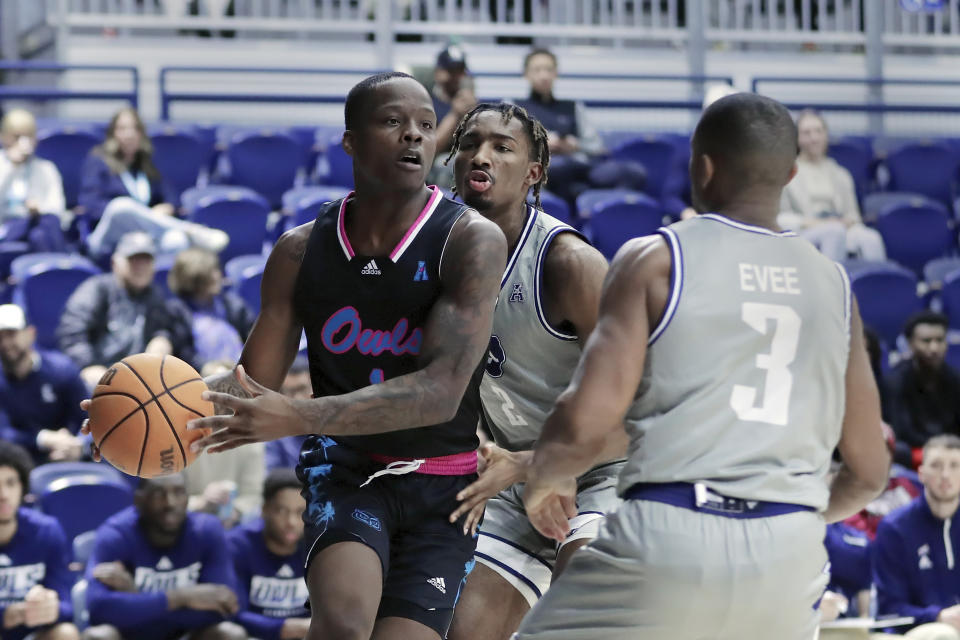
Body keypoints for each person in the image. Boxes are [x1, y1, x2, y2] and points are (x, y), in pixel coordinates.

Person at [512, 92, 890, 639]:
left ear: (702, 166)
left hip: (671, 529)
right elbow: (870, 473)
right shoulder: (833, 284)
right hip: (791, 552)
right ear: (789, 173)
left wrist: (544, 479)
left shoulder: (656, 258)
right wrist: (783, 517)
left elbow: (583, 423)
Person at [175, 71, 506, 640]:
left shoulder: (469, 240)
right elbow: (249, 386)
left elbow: (440, 391)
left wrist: (299, 416)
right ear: (350, 140)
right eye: (393, 122)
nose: (414, 137)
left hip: (446, 488)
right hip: (350, 470)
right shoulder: (301, 251)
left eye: (427, 126)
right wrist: (149, 406)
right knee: (344, 627)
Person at [438, 102, 621, 640]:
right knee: (463, 630)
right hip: (517, 473)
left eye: (502, 146)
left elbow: (647, 414)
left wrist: (539, 464)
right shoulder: (441, 258)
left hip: (613, 470)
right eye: (470, 143)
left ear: (534, 173)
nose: (481, 155)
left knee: (573, 618)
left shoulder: (569, 265)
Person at [81, 474, 247, 640]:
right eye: (158, 494)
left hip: (188, 635)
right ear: (139, 500)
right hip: (131, 635)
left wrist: (135, 598)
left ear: (188, 498)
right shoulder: (115, 535)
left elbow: (227, 608)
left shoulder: (207, 530)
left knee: (230, 634)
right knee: (99, 636)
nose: (170, 503)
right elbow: (99, 609)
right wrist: (182, 597)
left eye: (179, 492)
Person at [78, 107, 227, 261]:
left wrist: (166, 207)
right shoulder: (98, 161)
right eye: (122, 129)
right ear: (112, 134)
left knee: (176, 240)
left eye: (134, 129)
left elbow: (171, 198)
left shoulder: (145, 165)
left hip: (144, 236)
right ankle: (194, 231)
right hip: (108, 236)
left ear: (141, 134)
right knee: (120, 207)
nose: (129, 135)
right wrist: (136, 215)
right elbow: (91, 204)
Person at [57, 231, 195, 388]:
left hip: (141, 379)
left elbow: (168, 327)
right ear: (115, 263)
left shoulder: (154, 294)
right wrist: (88, 365)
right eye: (134, 260)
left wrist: (163, 338)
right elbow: (73, 333)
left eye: (146, 260)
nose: (141, 267)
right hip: (101, 372)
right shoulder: (96, 289)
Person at [873, 435, 960, 640]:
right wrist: (937, 616)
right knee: (944, 635)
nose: (945, 474)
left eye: (955, 465)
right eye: (936, 466)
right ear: (921, 473)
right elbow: (889, 609)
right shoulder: (895, 528)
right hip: (918, 631)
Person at [779, 109, 885, 262]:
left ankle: (875, 283)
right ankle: (830, 284)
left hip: (839, 226)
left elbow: (853, 215)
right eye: (806, 133)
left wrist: (846, 222)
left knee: (871, 238)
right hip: (805, 231)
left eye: (818, 131)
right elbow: (782, 218)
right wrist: (818, 223)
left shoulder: (840, 173)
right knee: (834, 232)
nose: (814, 138)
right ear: (797, 138)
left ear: (826, 135)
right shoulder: (786, 172)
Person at [0, 441, 79, 640]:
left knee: (66, 634)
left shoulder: (46, 530)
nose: (3, 495)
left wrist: (51, 608)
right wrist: (5, 615)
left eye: (10, 483)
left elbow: (67, 605)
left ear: (23, 487)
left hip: (31, 633)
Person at [514, 49, 611, 206]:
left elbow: (595, 145)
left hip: (576, 169)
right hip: (538, 173)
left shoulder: (573, 107)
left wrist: (575, 145)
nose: (544, 75)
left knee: (631, 172)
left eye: (549, 69)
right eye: (537, 70)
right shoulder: (514, 108)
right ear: (526, 74)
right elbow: (506, 146)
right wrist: (541, 145)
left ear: (556, 73)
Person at [228, 469, 310, 640]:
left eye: (299, 511)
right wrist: (286, 628)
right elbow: (233, 612)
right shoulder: (238, 545)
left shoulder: (318, 545)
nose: (291, 522)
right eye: (281, 511)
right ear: (264, 509)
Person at [0, 304, 88, 464]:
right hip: (14, 465)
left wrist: (80, 446)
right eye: (0, 337)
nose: (5, 343)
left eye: (11, 334)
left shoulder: (61, 370)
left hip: (69, 457)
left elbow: (91, 418)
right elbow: (3, 432)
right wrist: (43, 439)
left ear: (30, 334)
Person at [883, 311, 960, 470]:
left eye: (939, 340)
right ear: (910, 343)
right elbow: (900, 430)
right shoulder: (895, 381)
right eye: (926, 341)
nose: (934, 347)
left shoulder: (955, 378)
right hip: (913, 453)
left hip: (953, 449)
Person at [167, 248, 255, 369]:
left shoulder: (233, 305)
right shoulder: (177, 310)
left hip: (242, 372)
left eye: (216, 270)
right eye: (210, 272)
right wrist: (208, 368)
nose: (217, 276)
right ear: (194, 277)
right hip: (202, 377)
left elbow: (253, 339)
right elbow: (182, 352)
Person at [0, 109, 68, 252]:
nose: (22, 143)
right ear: (3, 137)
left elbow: (57, 211)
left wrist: (38, 209)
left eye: (28, 136)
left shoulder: (46, 168)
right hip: (5, 229)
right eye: (16, 136)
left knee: (41, 231)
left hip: (37, 225)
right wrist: (11, 167)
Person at [264, 356, 311, 472]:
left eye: (302, 389)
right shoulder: (273, 432)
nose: (298, 398)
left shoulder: (336, 421)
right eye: (291, 392)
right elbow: (271, 477)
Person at [431, 44, 477, 153]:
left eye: (460, 71)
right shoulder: (428, 104)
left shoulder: (470, 102)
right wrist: (455, 114)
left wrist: (475, 112)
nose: (456, 76)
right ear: (438, 72)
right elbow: (431, 148)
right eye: (451, 70)